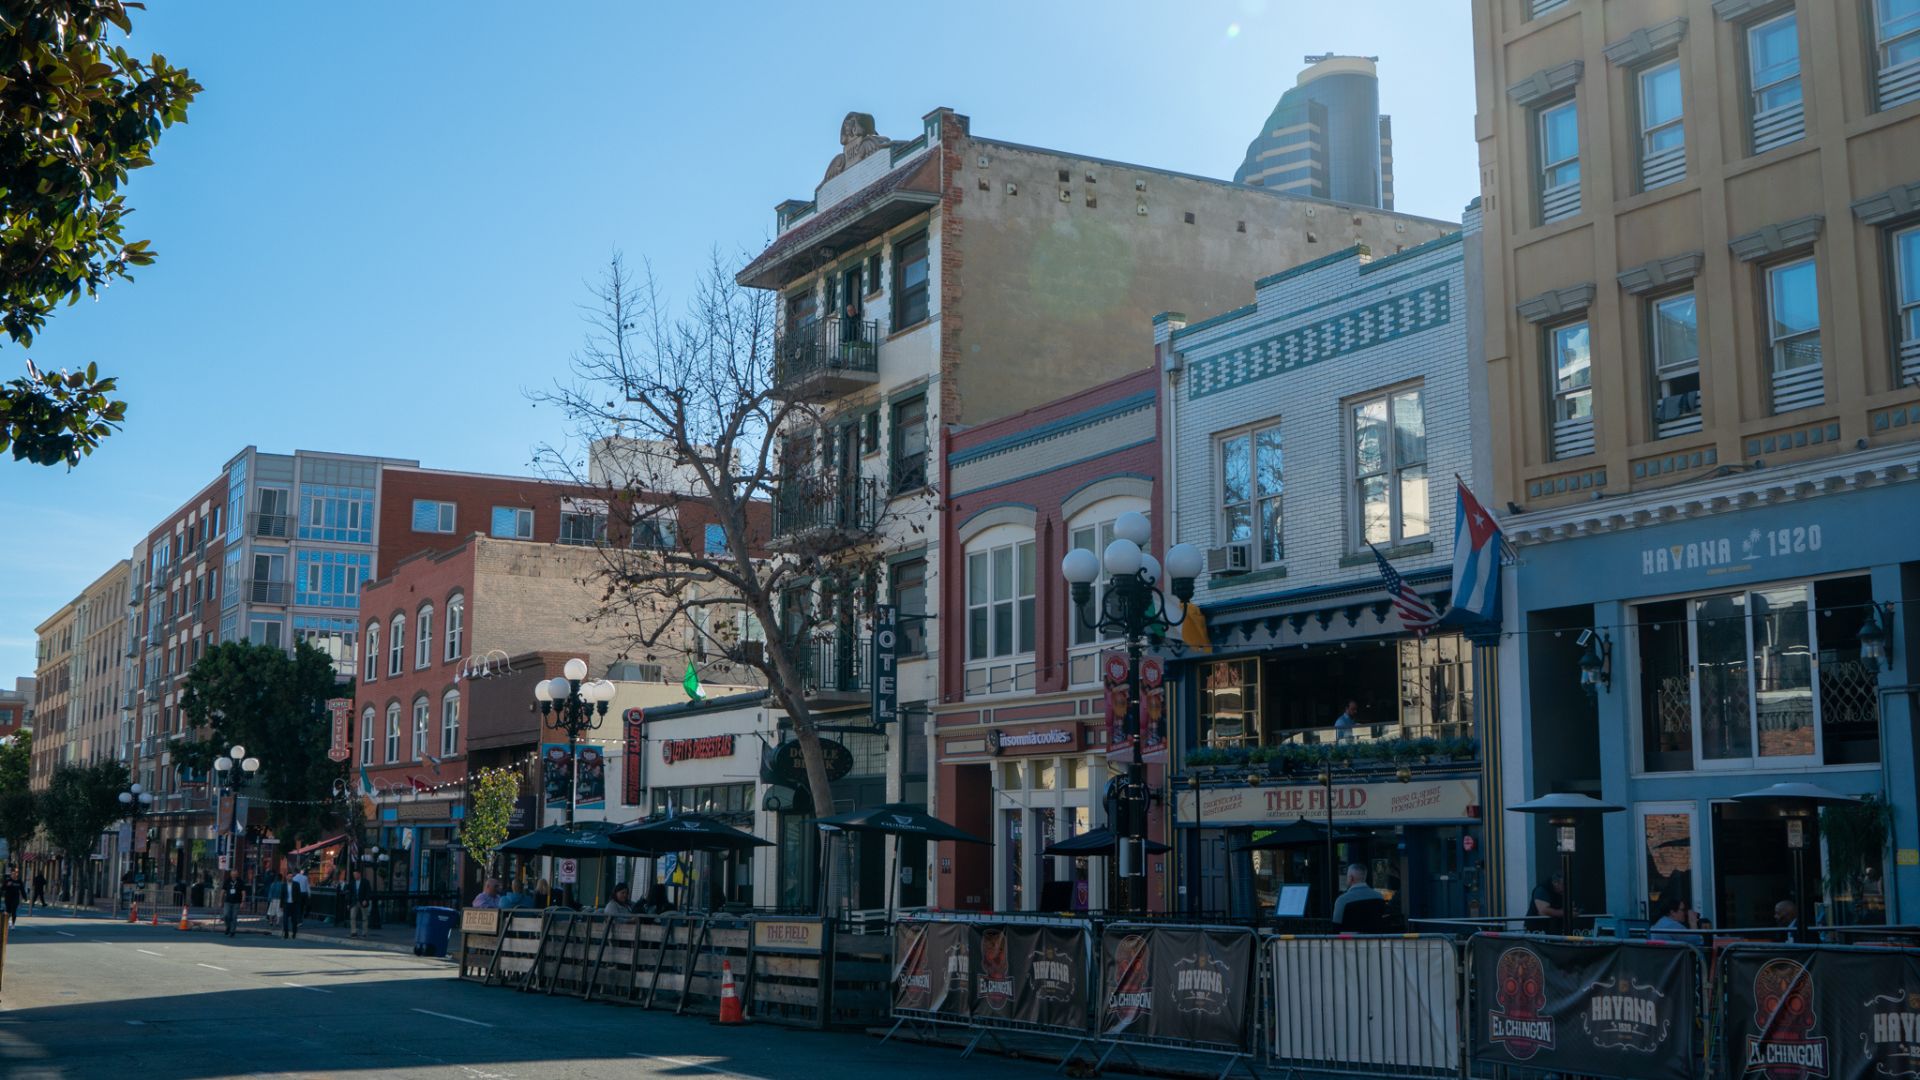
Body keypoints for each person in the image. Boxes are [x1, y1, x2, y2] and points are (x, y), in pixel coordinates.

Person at [284, 865, 310, 939]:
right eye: (289, 876)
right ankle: (299, 921)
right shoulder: (304, 878)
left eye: (291, 876)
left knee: (293, 919)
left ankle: (294, 931)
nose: (290, 877)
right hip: (302, 895)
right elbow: (307, 886)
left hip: (294, 902)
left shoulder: (295, 882)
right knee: (301, 909)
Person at [346, 869, 373, 938]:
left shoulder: (365, 882)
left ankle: (364, 933)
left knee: (364, 918)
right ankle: (353, 932)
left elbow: (368, 892)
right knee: (352, 917)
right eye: (353, 875)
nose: (354, 876)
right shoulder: (352, 882)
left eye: (356, 874)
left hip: (363, 901)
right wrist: (348, 903)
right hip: (354, 902)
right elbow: (349, 893)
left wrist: (366, 900)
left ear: (359, 874)